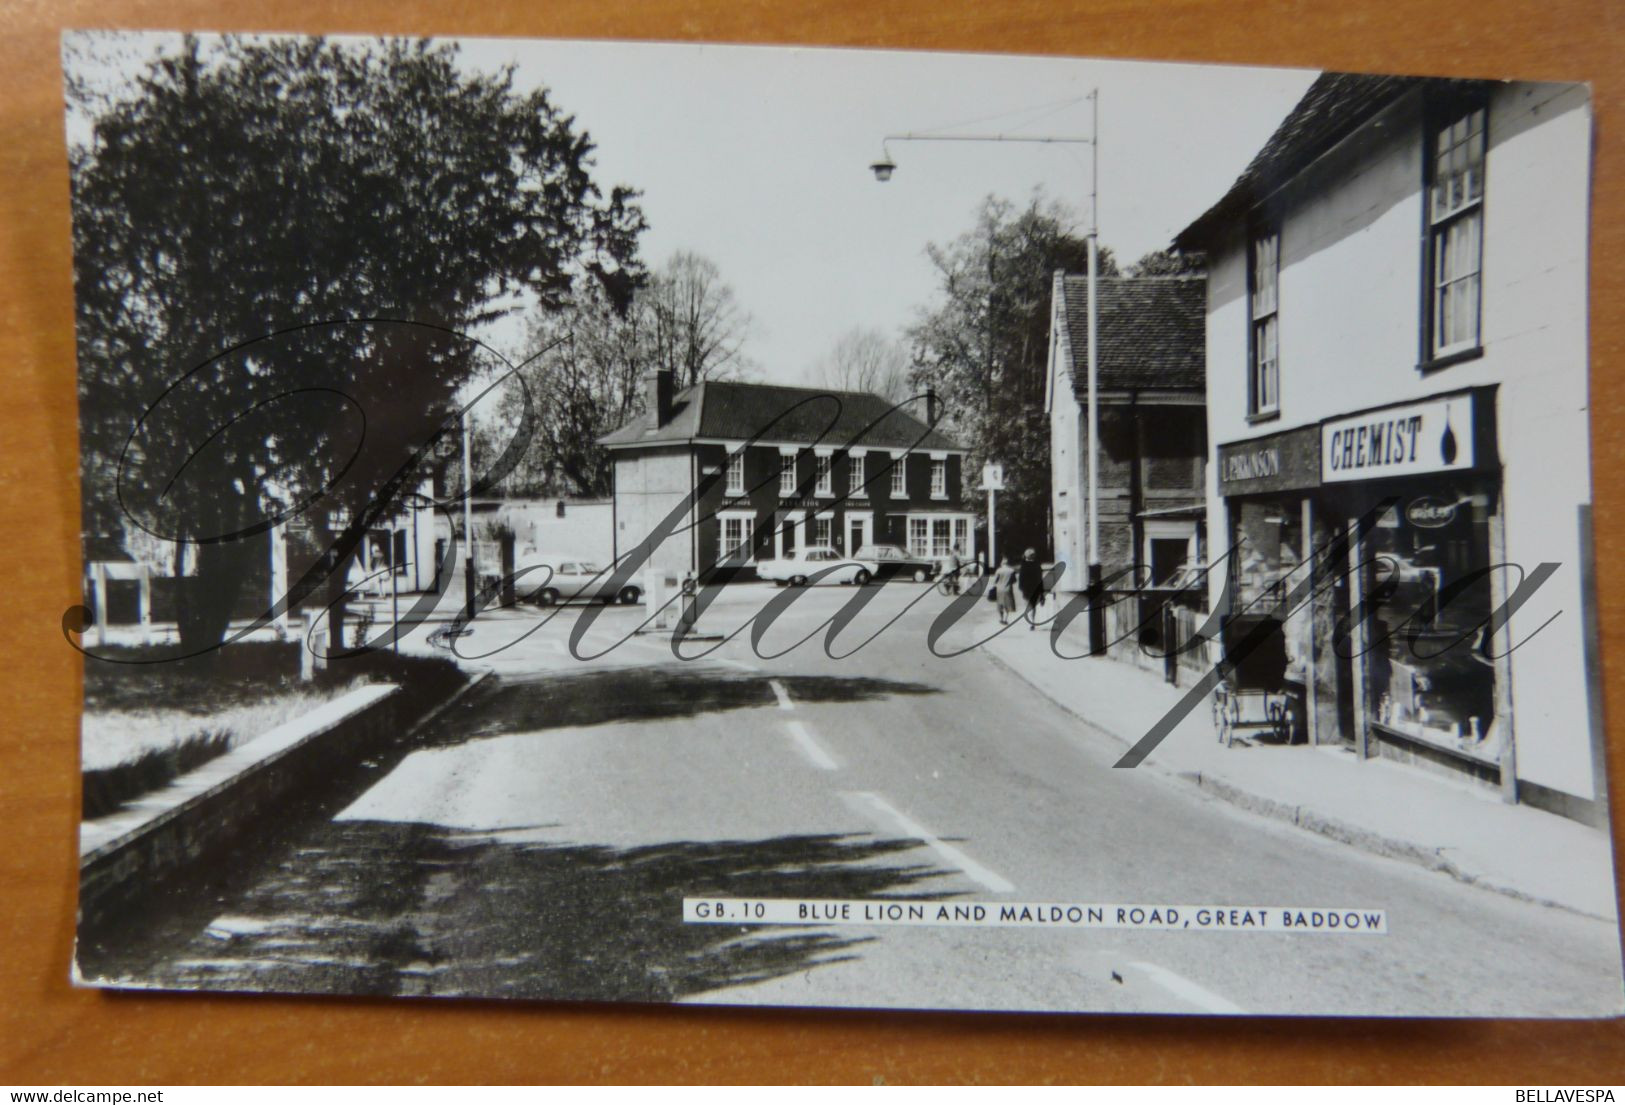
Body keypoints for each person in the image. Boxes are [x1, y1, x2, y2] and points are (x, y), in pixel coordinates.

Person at [1017, 547, 1045, 631]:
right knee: (1033, 606)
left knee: (1027, 606)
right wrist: (1041, 591)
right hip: (1035, 588)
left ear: (1026, 556)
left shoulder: (1023, 565)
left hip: (1026, 588)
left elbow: (1021, 578)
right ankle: (1032, 621)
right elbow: (1040, 579)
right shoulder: (1037, 565)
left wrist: (1021, 587)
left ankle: (1030, 621)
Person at [992, 555, 1018, 626]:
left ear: (1002, 563)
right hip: (1008, 589)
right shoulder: (1011, 570)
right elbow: (1014, 581)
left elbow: (995, 581)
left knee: (1000, 604)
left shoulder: (998, 570)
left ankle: (1001, 618)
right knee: (1007, 605)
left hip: (999, 589)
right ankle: (1005, 619)